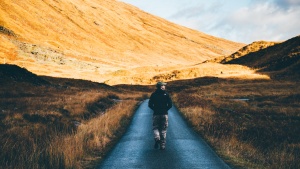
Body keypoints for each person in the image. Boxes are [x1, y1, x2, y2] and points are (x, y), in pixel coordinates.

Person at [148, 81, 172, 150]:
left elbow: (150, 105)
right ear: (161, 87)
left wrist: (154, 109)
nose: (164, 87)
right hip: (164, 114)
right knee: (163, 130)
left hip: (156, 114)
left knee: (155, 127)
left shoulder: (153, 94)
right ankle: (162, 146)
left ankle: (157, 138)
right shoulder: (166, 94)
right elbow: (170, 105)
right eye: (163, 86)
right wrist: (165, 109)